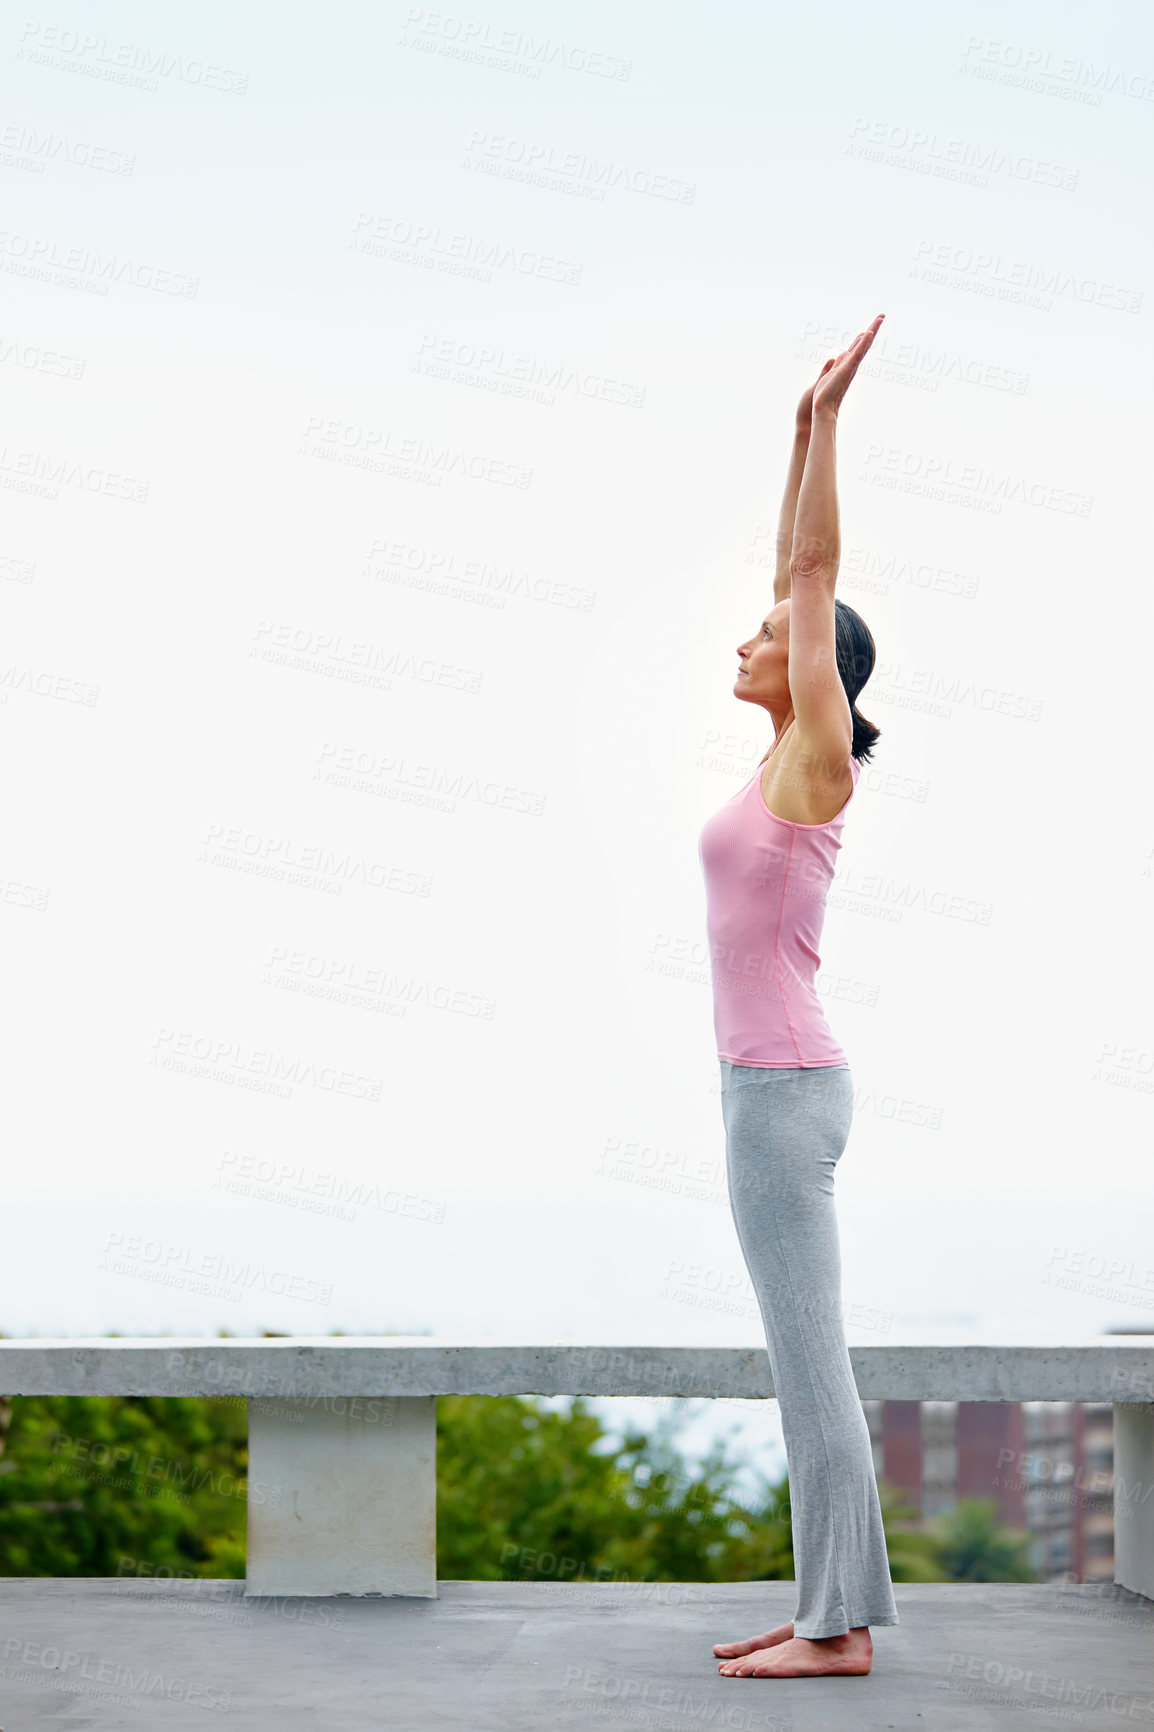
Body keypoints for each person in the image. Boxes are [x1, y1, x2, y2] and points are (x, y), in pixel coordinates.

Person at [697, 315, 898, 1679]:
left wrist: (829, 426)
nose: (756, 629)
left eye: (779, 634)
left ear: (821, 668)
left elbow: (812, 572)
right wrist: (786, 433)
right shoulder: (780, 759)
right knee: (794, 1367)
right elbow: (791, 566)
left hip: (779, 1098)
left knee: (810, 1370)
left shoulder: (814, 768)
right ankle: (823, 1603)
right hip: (765, 1087)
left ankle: (837, 1632)